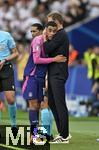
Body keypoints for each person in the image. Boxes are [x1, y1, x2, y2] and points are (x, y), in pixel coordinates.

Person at [22, 22, 66, 144]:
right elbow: (36, 60)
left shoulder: (49, 44)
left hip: (41, 78)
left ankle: (39, 135)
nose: (52, 33)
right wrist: (54, 59)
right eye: (50, 30)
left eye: (54, 31)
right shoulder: (37, 40)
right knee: (33, 105)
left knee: (40, 106)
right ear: (45, 30)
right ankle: (34, 135)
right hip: (32, 76)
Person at [43, 11, 70, 143]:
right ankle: (62, 132)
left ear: (57, 21)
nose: (48, 24)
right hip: (54, 72)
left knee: (59, 104)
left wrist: (44, 38)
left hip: (58, 73)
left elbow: (47, 49)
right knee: (53, 102)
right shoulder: (58, 35)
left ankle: (64, 135)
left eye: (50, 21)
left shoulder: (60, 34)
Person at [0, 30, 19, 130]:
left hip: (6, 68)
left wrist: (5, 60)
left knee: (10, 99)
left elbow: (16, 53)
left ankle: (13, 125)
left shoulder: (6, 35)